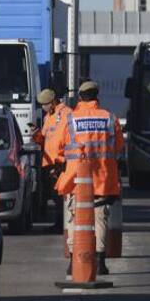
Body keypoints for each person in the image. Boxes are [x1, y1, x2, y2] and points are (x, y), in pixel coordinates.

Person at [56, 81, 125, 275]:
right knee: (99, 219)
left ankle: (74, 261)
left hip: (75, 179)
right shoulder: (110, 118)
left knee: (74, 219)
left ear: (80, 97)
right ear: (97, 96)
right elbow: (119, 147)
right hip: (102, 180)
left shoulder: (70, 119)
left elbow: (59, 146)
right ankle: (100, 262)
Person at [31, 88, 71, 232]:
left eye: (45, 104)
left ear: (53, 102)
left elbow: (69, 140)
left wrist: (61, 162)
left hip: (59, 163)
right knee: (55, 196)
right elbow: (44, 139)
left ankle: (62, 224)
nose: (43, 107)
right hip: (48, 163)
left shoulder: (67, 114)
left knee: (60, 195)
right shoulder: (49, 117)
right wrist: (36, 135)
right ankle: (60, 223)